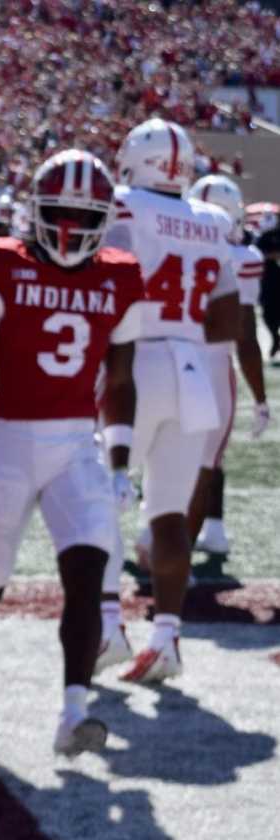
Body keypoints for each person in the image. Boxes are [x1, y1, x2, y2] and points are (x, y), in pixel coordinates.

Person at [0, 149, 144, 756]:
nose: (71, 228)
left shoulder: (121, 273)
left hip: (77, 443)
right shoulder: (2, 263)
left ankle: (74, 712)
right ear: (35, 211)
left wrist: (122, 463)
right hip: (11, 442)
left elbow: (122, 379)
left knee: (87, 576)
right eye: (60, 213)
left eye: (84, 215)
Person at [97, 119, 241, 683]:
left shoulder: (124, 207)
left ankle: (108, 626)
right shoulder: (211, 220)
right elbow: (227, 316)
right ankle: (167, 637)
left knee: (99, 500)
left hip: (133, 364)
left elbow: (103, 283)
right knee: (170, 515)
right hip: (190, 366)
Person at [180, 175, 269, 557]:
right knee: (207, 458)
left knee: (168, 455)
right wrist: (260, 398)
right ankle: (186, 543)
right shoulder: (243, 259)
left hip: (164, 357)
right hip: (212, 364)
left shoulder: (160, 239)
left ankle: (165, 534)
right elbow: (245, 336)